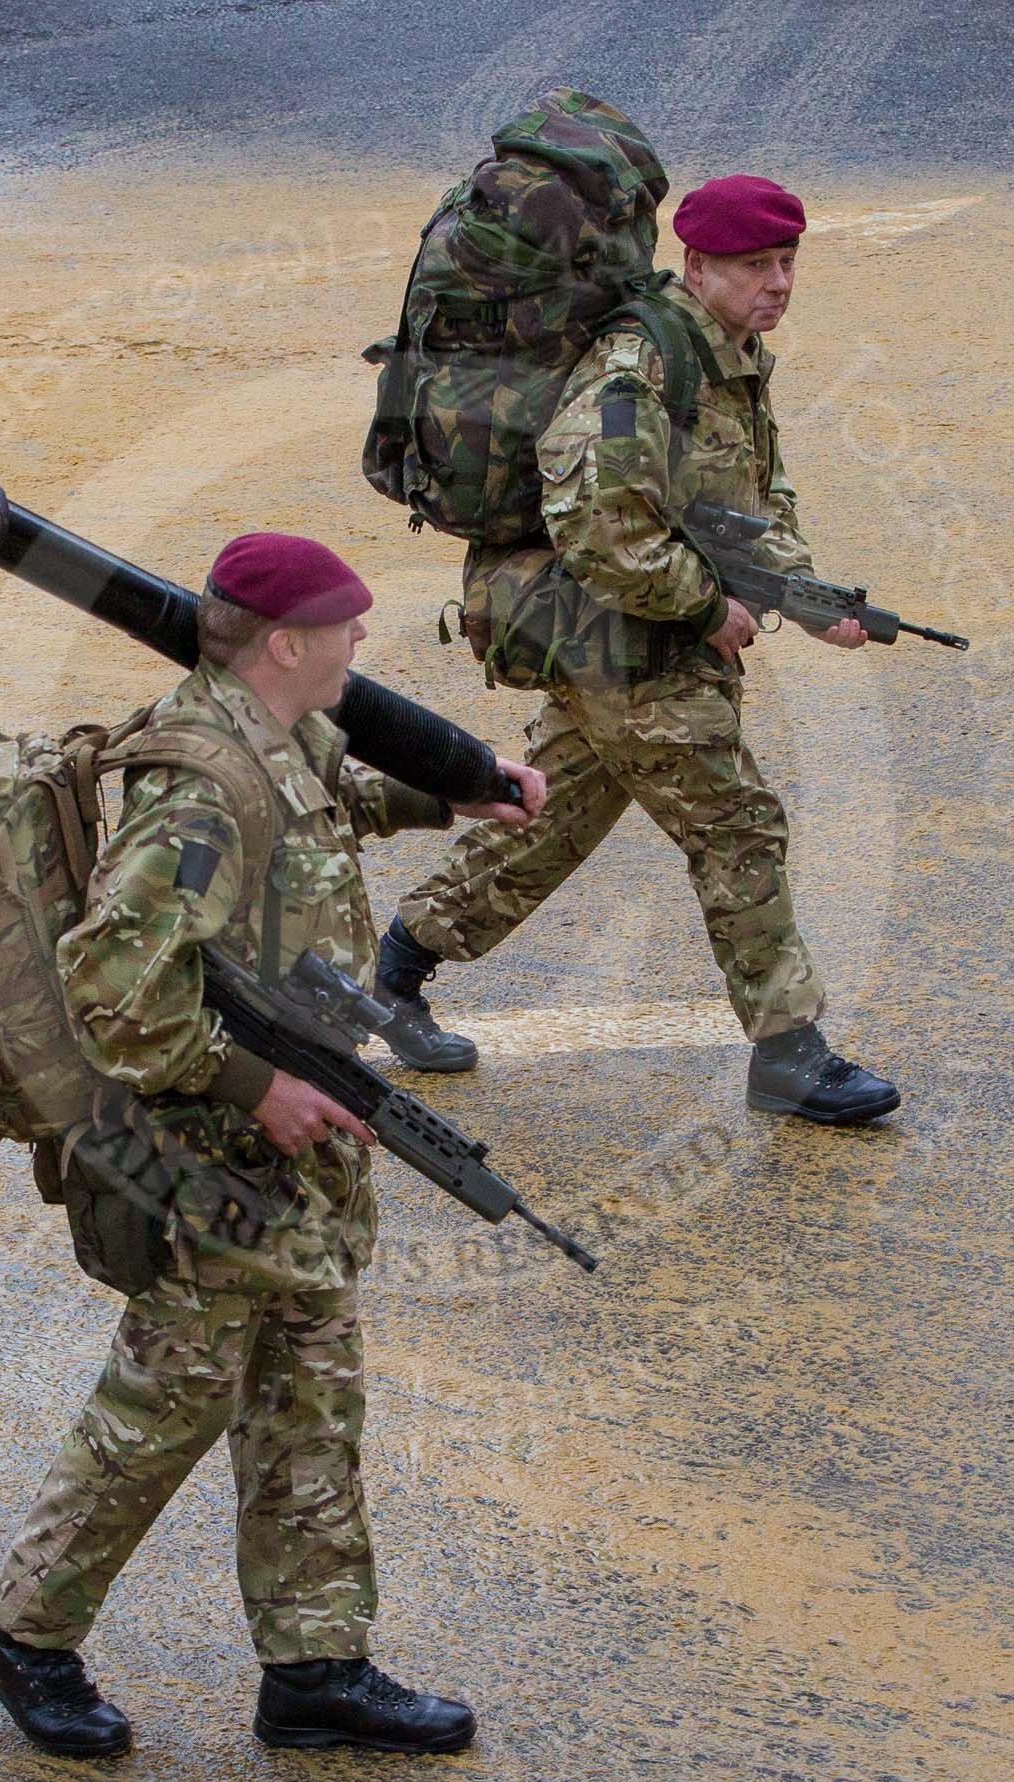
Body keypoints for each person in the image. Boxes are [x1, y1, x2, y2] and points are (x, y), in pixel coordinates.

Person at [0, 533, 544, 1759]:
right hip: (211, 1154)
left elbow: (332, 807)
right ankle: (22, 1631)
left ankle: (318, 1666)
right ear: (287, 643)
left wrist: (456, 790)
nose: (360, 646)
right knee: (162, 1403)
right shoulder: (204, 781)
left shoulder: (281, 736)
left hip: (288, 1159)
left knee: (310, 1397)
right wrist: (254, 1081)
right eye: (346, 626)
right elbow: (113, 988)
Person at [376, 174, 900, 1125]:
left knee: (549, 815)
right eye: (754, 265)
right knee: (737, 827)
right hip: (618, 643)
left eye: (787, 262)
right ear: (697, 265)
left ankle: (398, 966)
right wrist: (708, 609)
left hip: (630, 639)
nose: (777, 282)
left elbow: (742, 506)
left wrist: (808, 599)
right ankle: (788, 1053)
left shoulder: (729, 352)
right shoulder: (640, 365)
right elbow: (593, 524)